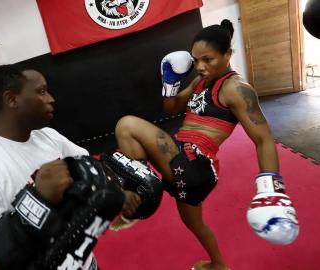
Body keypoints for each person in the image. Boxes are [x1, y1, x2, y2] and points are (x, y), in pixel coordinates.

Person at [114, 19, 298, 270]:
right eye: (196, 60)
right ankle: (219, 264)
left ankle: (139, 197)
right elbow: (172, 107)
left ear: (228, 55)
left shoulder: (236, 89)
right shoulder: (200, 81)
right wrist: (169, 80)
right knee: (194, 224)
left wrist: (271, 189)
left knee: (127, 125)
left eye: (208, 60)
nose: (200, 66)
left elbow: (263, 138)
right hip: (186, 165)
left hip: (195, 161)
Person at [0, 65, 141, 270]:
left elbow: (91, 167)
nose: (51, 98)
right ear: (11, 99)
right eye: (41, 91)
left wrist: (118, 190)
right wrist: (37, 200)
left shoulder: (48, 136)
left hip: (83, 262)